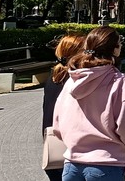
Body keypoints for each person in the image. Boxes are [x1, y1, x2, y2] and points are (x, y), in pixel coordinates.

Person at [52, 26, 125, 181]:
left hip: (72, 164)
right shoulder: (120, 82)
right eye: (120, 43)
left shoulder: (72, 80)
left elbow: (57, 124)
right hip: (107, 164)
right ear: (114, 50)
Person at [42, 33, 86, 181]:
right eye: (85, 50)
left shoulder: (54, 77)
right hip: (73, 150)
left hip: (53, 148)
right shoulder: (76, 81)